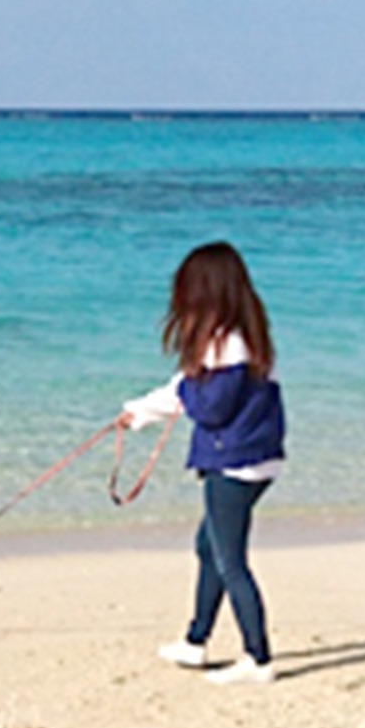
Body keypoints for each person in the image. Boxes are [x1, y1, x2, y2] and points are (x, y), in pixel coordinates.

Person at [119, 241, 287, 686]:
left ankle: (258, 658)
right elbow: (184, 389)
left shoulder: (227, 345)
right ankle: (195, 642)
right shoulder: (242, 337)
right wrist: (137, 413)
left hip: (236, 463)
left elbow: (208, 406)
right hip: (255, 459)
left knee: (230, 559)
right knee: (209, 547)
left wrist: (186, 389)